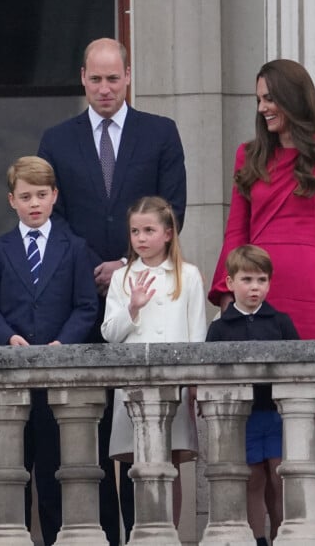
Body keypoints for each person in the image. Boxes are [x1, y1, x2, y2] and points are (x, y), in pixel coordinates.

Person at [38, 37, 187, 544]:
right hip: (79, 304)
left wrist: (125, 265)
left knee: (141, 436)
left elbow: (173, 209)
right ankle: (99, 536)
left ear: (129, 76)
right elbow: (51, 220)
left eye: (114, 78)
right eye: (96, 79)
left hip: (145, 299)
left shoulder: (160, 133)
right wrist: (93, 269)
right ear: (83, 77)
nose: (105, 88)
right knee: (89, 433)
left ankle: (146, 533)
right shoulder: (57, 140)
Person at [208, 59, 315, 509]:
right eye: (259, 100)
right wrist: (226, 298)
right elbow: (235, 233)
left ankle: (307, 526)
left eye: (269, 98)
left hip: (309, 290)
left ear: (292, 98)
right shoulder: (248, 155)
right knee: (259, 408)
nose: (262, 109)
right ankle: (268, 527)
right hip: (256, 288)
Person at [0, 156, 98, 546]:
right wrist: (7, 338)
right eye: (26, 196)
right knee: (11, 469)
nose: (34, 203)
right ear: (12, 200)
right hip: (12, 377)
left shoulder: (74, 248)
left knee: (57, 471)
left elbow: (86, 305)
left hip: (59, 377)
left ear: (55, 196)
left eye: (42, 195)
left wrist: (65, 342)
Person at [101, 196, 205, 528]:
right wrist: (132, 307)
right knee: (139, 466)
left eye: (149, 230)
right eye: (135, 231)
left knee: (170, 463)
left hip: (174, 384)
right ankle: (143, 531)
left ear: (168, 233)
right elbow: (109, 333)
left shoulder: (188, 275)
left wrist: (194, 384)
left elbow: (197, 335)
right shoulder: (122, 276)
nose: (141, 238)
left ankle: (170, 533)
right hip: (133, 386)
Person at [206, 245, 299, 546]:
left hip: (275, 413)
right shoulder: (219, 328)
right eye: (246, 280)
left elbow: (298, 366)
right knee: (253, 480)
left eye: (261, 280)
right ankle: (257, 538)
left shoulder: (280, 322)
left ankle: (282, 535)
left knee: (278, 476)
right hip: (241, 418)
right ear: (230, 283)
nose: (254, 287)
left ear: (270, 283)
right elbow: (210, 372)